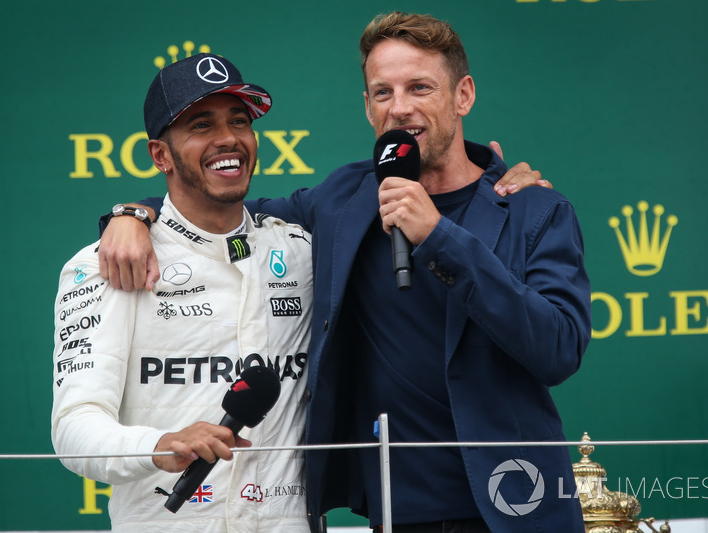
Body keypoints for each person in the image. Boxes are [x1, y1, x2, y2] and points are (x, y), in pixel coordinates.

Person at [98, 11, 591, 533]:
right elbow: (219, 205)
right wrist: (132, 214)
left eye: (420, 87)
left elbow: (558, 350)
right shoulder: (343, 199)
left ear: (463, 95)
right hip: (395, 513)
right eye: (383, 92)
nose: (400, 108)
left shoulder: (534, 210)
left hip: (514, 506)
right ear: (366, 106)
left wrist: (440, 238)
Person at [51, 53, 314, 532]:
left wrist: (495, 181)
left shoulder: (301, 253)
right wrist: (161, 445)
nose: (228, 138)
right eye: (201, 125)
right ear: (161, 155)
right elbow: (74, 430)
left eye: (240, 120)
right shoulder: (106, 264)